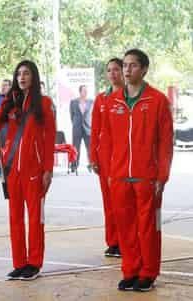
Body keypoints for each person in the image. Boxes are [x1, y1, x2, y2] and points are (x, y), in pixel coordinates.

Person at [103, 49, 173, 292]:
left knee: (148, 229)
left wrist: (162, 175)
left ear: (144, 69)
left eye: (133, 65)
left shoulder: (157, 100)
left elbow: (165, 142)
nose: (126, 70)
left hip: (147, 176)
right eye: (125, 65)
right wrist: (110, 173)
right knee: (126, 228)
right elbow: (108, 140)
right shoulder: (112, 101)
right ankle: (130, 270)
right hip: (120, 176)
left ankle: (148, 273)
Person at [0, 60, 56, 280]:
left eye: (26, 74)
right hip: (12, 170)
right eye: (18, 75)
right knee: (15, 218)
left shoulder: (44, 103)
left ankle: (34, 263)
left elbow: (49, 138)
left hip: (34, 170)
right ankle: (19, 263)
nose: (22, 78)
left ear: (33, 77)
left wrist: (47, 170)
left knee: (35, 218)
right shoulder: (9, 103)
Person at [89, 58, 124, 258]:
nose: (112, 73)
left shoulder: (128, 96)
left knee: (122, 201)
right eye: (109, 70)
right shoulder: (101, 99)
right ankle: (113, 242)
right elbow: (95, 130)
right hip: (104, 158)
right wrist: (93, 156)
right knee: (108, 201)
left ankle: (125, 239)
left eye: (116, 69)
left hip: (123, 157)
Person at [69, 85, 93, 172]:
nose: (85, 92)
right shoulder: (73, 102)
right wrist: (75, 123)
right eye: (84, 91)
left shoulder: (91, 101)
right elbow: (72, 115)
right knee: (76, 148)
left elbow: (93, 115)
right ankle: (74, 166)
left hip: (88, 128)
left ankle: (91, 165)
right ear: (80, 92)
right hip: (77, 128)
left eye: (86, 91)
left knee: (90, 148)